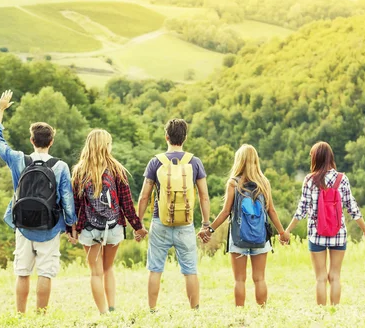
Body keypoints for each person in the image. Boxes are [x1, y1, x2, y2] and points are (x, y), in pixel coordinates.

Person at [0, 90, 77, 314]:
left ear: (32, 140)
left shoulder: (19, 159)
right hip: (50, 226)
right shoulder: (60, 166)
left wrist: (0, 110)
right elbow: (67, 199)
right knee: (45, 273)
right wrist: (71, 226)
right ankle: (41, 316)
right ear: (52, 141)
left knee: (22, 271)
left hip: (23, 224)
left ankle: (20, 315)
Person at [281, 141, 365, 306]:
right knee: (335, 276)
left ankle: (321, 313)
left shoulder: (310, 180)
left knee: (320, 278)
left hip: (316, 235)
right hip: (338, 235)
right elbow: (352, 208)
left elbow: (301, 210)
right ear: (330, 157)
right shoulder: (342, 179)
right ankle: (335, 311)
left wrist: (287, 231)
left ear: (315, 159)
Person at [71, 129, 148, 314]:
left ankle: (103, 312)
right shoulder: (117, 169)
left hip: (88, 229)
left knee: (95, 273)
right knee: (108, 268)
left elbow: (74, 205)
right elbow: (127, 204)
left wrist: (71, 228)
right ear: (106, 146)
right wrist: (138, 227)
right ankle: (112, 308)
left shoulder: (80, 171)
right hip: (113, 228)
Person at [137, 118, 211, 311]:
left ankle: (152, 309)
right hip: (185, 224)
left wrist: (138, 225)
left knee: (155, 269)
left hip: (160, 221)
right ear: (184, 138)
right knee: (190, 270)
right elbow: (204, 196)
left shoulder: (156, 162)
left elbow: (144, 196)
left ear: (166, 137)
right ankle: (194, 310)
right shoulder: (194, 162)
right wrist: (205, 223)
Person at [202, 144, 286, 307]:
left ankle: (240, 314)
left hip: (238, 237)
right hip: (261, 238)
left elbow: (225, 212)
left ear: (238, 161)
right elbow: (272, 211)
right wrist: (282, 232)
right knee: (260, 278)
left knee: (239, 279)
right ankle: (262, 313)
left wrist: (209, 229)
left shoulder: (234, 183)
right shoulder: (264, 183)